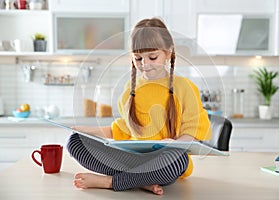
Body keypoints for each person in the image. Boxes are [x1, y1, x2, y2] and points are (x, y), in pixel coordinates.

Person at [67, 17, 212, 195]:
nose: (145, 65)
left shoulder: (185, 87)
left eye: (152, 57)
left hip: (166, 162)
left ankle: (112, 182)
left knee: (179, 160)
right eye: (138, 58)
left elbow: (192, 131)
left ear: (168, 52)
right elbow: (122, 130)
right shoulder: (131, 88)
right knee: (75, 142)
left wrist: (175, 143)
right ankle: (142, 180)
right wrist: (85, 130)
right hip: (134, 160)